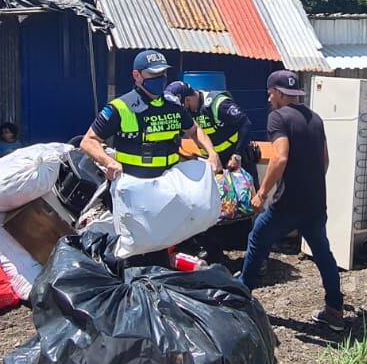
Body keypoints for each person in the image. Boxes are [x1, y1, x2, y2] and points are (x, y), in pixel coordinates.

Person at [239, 71, 346, 329]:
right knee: (323, 254)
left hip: (287, 203)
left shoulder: (278, 117)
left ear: (278, 92)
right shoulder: (315, 118)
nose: (268, 96)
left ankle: (240, 301)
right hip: (315, 202)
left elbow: (280, 157)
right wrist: (311, 184)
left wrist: (262, 193)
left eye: (270, 92)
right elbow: (325, 161)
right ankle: (335, 310)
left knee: (257, 239)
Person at [81, 51, 221, 187]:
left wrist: (212, 153)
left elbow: (194, 130)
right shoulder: (121, 107)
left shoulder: (174, 105)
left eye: (163, 73)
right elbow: (88, 141)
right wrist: (108, 162)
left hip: (170, 184)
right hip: (132, 185)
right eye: (154, 73)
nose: (160, 77)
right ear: (137, 75)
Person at [165, 80, 254, 175]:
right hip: (213, 164)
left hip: (237, 161)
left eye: (181, 107)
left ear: (187, 99)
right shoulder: (188, 113)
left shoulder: (217, 104)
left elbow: (245, 123)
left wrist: (237, 154)